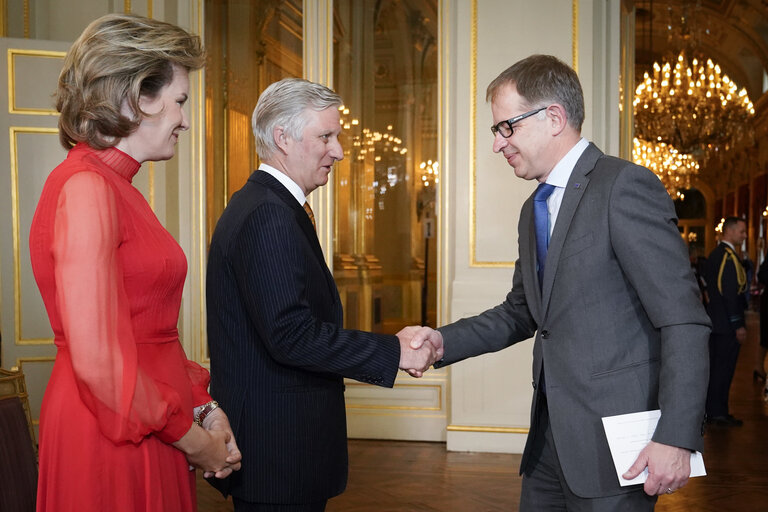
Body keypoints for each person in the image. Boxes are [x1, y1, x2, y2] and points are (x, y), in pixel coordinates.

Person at [407, 55, 710, 511]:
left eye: (506, 127)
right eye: (496, 131)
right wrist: (439, 342)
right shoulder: (534, 210)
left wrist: (676, 437)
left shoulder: (623, 186)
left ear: (553, 117)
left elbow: (683, 320)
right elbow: (522, 311)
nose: (498, 144)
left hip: (617, 453)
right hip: (549, 445)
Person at [29, 13, 241, 511]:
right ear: (136, 97)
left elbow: (151, 332)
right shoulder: (87, 187)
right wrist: (195, 441)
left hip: (151, 417)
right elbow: (101, 361)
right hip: (114, 425)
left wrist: (202, 408)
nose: (185, 119)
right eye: (180, 101)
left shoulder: (118, 187)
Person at [205, 78, 441, 512]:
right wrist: (394, 353)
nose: (339, 150)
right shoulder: (268, 215)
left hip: (282, 445)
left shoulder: (272, 206)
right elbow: (290, 335)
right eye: (326, 136)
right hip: (279, 451)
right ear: (282, 138)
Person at [703, 217, 748, 426]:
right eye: (741, 231)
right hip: (725, 325)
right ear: (729, 231)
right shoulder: (727, 257)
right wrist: (738, 324)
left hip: (717, 322)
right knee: (723, 369)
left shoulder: (717, 254)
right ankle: (717, 412)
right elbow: (730, 293)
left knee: (718, 368)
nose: (744, 235)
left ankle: (716, 410)